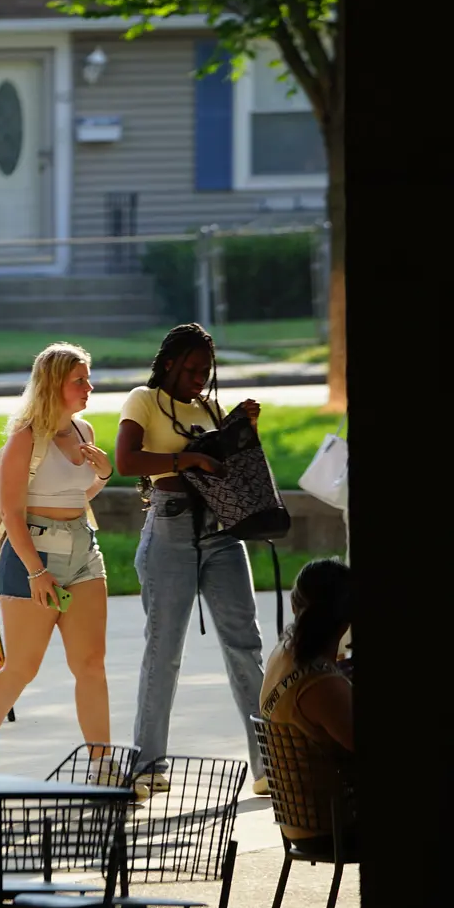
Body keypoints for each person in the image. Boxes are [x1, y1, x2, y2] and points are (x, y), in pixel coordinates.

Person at [115, 323, 268, 798]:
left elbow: (227, 467)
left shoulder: (207, 407)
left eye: (206, 370)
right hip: (171, 531)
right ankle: (148, 764)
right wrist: (188, 461)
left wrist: (240, 431)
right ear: (167, 364)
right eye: (191, 369)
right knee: (165, 650)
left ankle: (268, 764)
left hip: (221, 533)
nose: (199, 378)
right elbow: (127, 460)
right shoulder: (143, 400)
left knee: (245, 646)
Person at [0, 343, 118, 777]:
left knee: (91, 664)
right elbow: (12, 513)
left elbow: (74, 497)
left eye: (88, 378)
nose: (89, 387)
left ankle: (102, 765)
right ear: (54, 385)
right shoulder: (26, 439)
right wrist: (37, 572)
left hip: (83, 552)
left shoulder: (85, 431)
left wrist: (103, 474)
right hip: (33, 557)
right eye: (79, 380)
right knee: (23, 667)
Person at [259, 558, 353, 842]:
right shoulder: (322, 685)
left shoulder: (283, 653)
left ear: (293, 605)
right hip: (330, 825)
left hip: (297, 819)